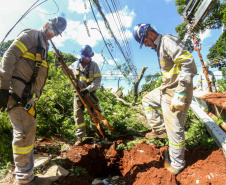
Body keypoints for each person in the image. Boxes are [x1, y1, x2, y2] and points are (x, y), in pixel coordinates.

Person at [0, 17, 67, 185]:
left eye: (56, 33)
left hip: (26, 96)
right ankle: (24, 179)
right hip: (16, 93)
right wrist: (2, 88)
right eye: (52, 28)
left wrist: (36, 93)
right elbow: (8, 57)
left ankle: (25, 173)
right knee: (23, 132)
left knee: (28, 130)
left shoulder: (44, 45)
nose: (52, 34)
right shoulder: (32, 35)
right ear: (46, 24)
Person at [133, 24, 197, 174]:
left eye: (145, 41)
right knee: (147, 99)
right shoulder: (160, 47)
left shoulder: (167, 40)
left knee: (174, 128)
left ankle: (177, 164)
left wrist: (181, 93)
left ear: (150, 34)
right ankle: (159, 130)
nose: (147, 45)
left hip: (177, 93)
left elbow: (188, 64)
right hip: (166, 90)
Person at [69, 45, 102, 146]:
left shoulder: (94, 66)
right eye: (85, 57)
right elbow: (67, 71)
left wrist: (88, 89)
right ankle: (80, 137)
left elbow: (97, 80)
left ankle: (94, 132)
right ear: (82, 56)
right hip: (78, 94)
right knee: (78, 114)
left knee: (96, 113)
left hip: (90, 93)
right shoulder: (75, 65)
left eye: (89, 57)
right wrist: (61, 63)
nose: (87, 59)